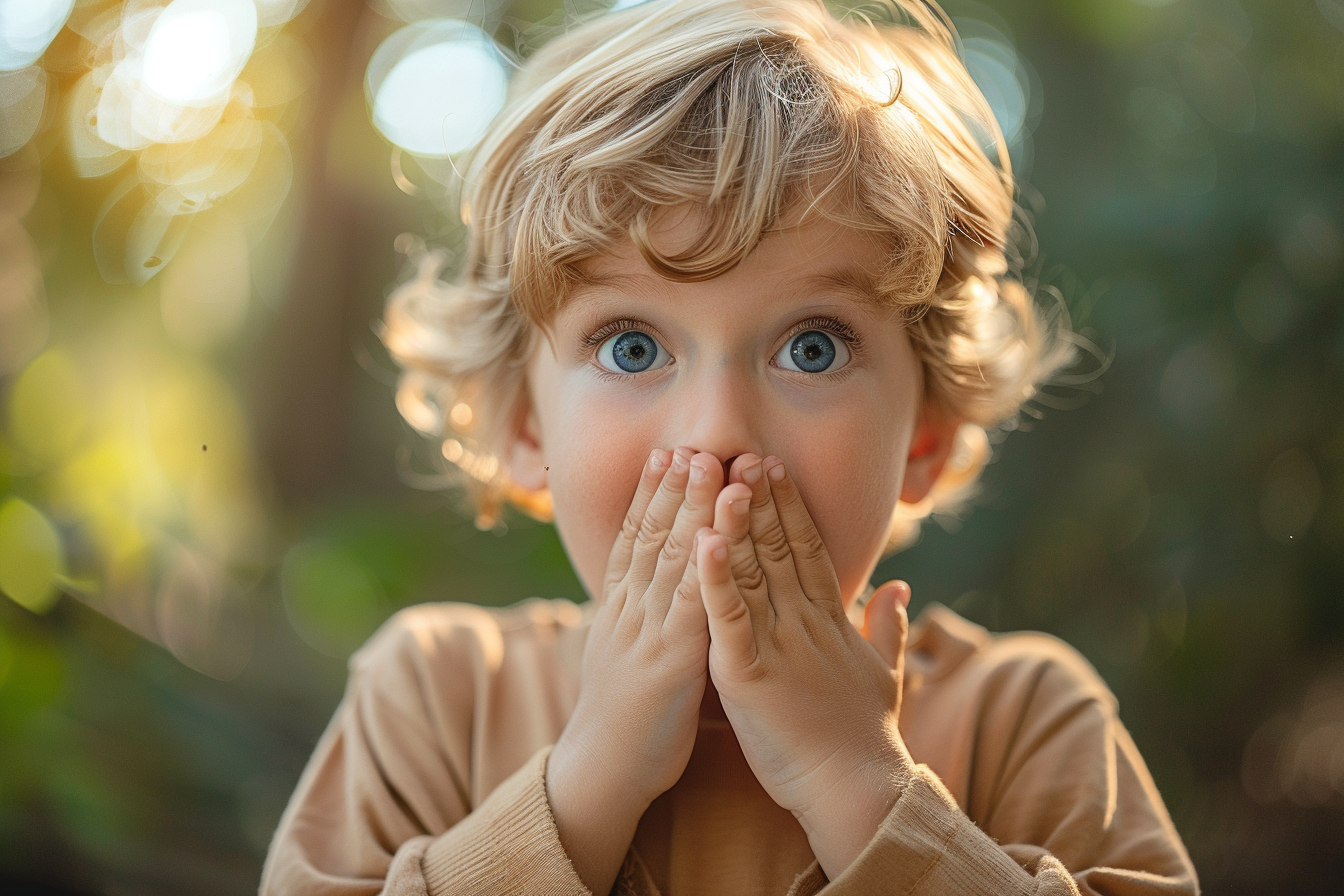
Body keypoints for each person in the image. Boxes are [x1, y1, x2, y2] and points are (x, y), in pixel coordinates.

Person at [260, 1, 1199, 893]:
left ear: (926, 432)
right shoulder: (432, 698)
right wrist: (590, 776)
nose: (715, 433)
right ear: (521, 427)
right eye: (632, 347)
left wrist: (855, 777)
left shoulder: (1024, 720)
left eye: (812, 347)